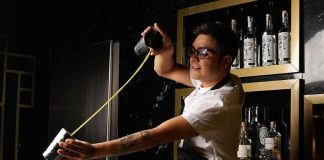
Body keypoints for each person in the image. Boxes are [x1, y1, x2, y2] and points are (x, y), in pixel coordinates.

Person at [57, 21, 245, 160]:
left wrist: (96, 150)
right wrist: (165, 50)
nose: (194, 58)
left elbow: (155, 136)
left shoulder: (218, 104)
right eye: (193, 51)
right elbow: (166, 69)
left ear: (226, 61)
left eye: (203, 53)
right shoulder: (219, 80)